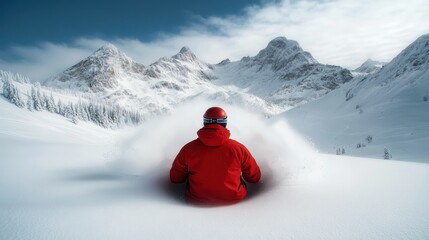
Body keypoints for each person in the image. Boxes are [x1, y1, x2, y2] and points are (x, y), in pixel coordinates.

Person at [170, 106, 261, 205]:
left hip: (197, 202)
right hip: (235, 201)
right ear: (225, 123)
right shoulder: (239, 149)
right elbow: (254, 178)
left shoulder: (188, 149)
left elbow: (176, 179)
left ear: (205, 123)